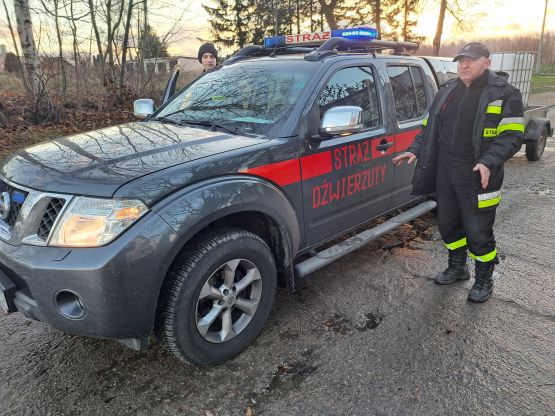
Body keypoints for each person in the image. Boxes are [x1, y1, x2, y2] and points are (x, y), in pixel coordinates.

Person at [392, 42, 524, 302]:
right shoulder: (446, 91)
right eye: (461, 60)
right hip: (445, 171)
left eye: (471, 60)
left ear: (487, 62)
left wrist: (489, 161)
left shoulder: (505, 93)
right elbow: (428, 129)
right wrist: (415, 149)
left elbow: (511, 137)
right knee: (448, 225)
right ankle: (457, 267)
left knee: (478, 231)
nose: (463, 65)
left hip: (478, 173)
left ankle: (484, 280)